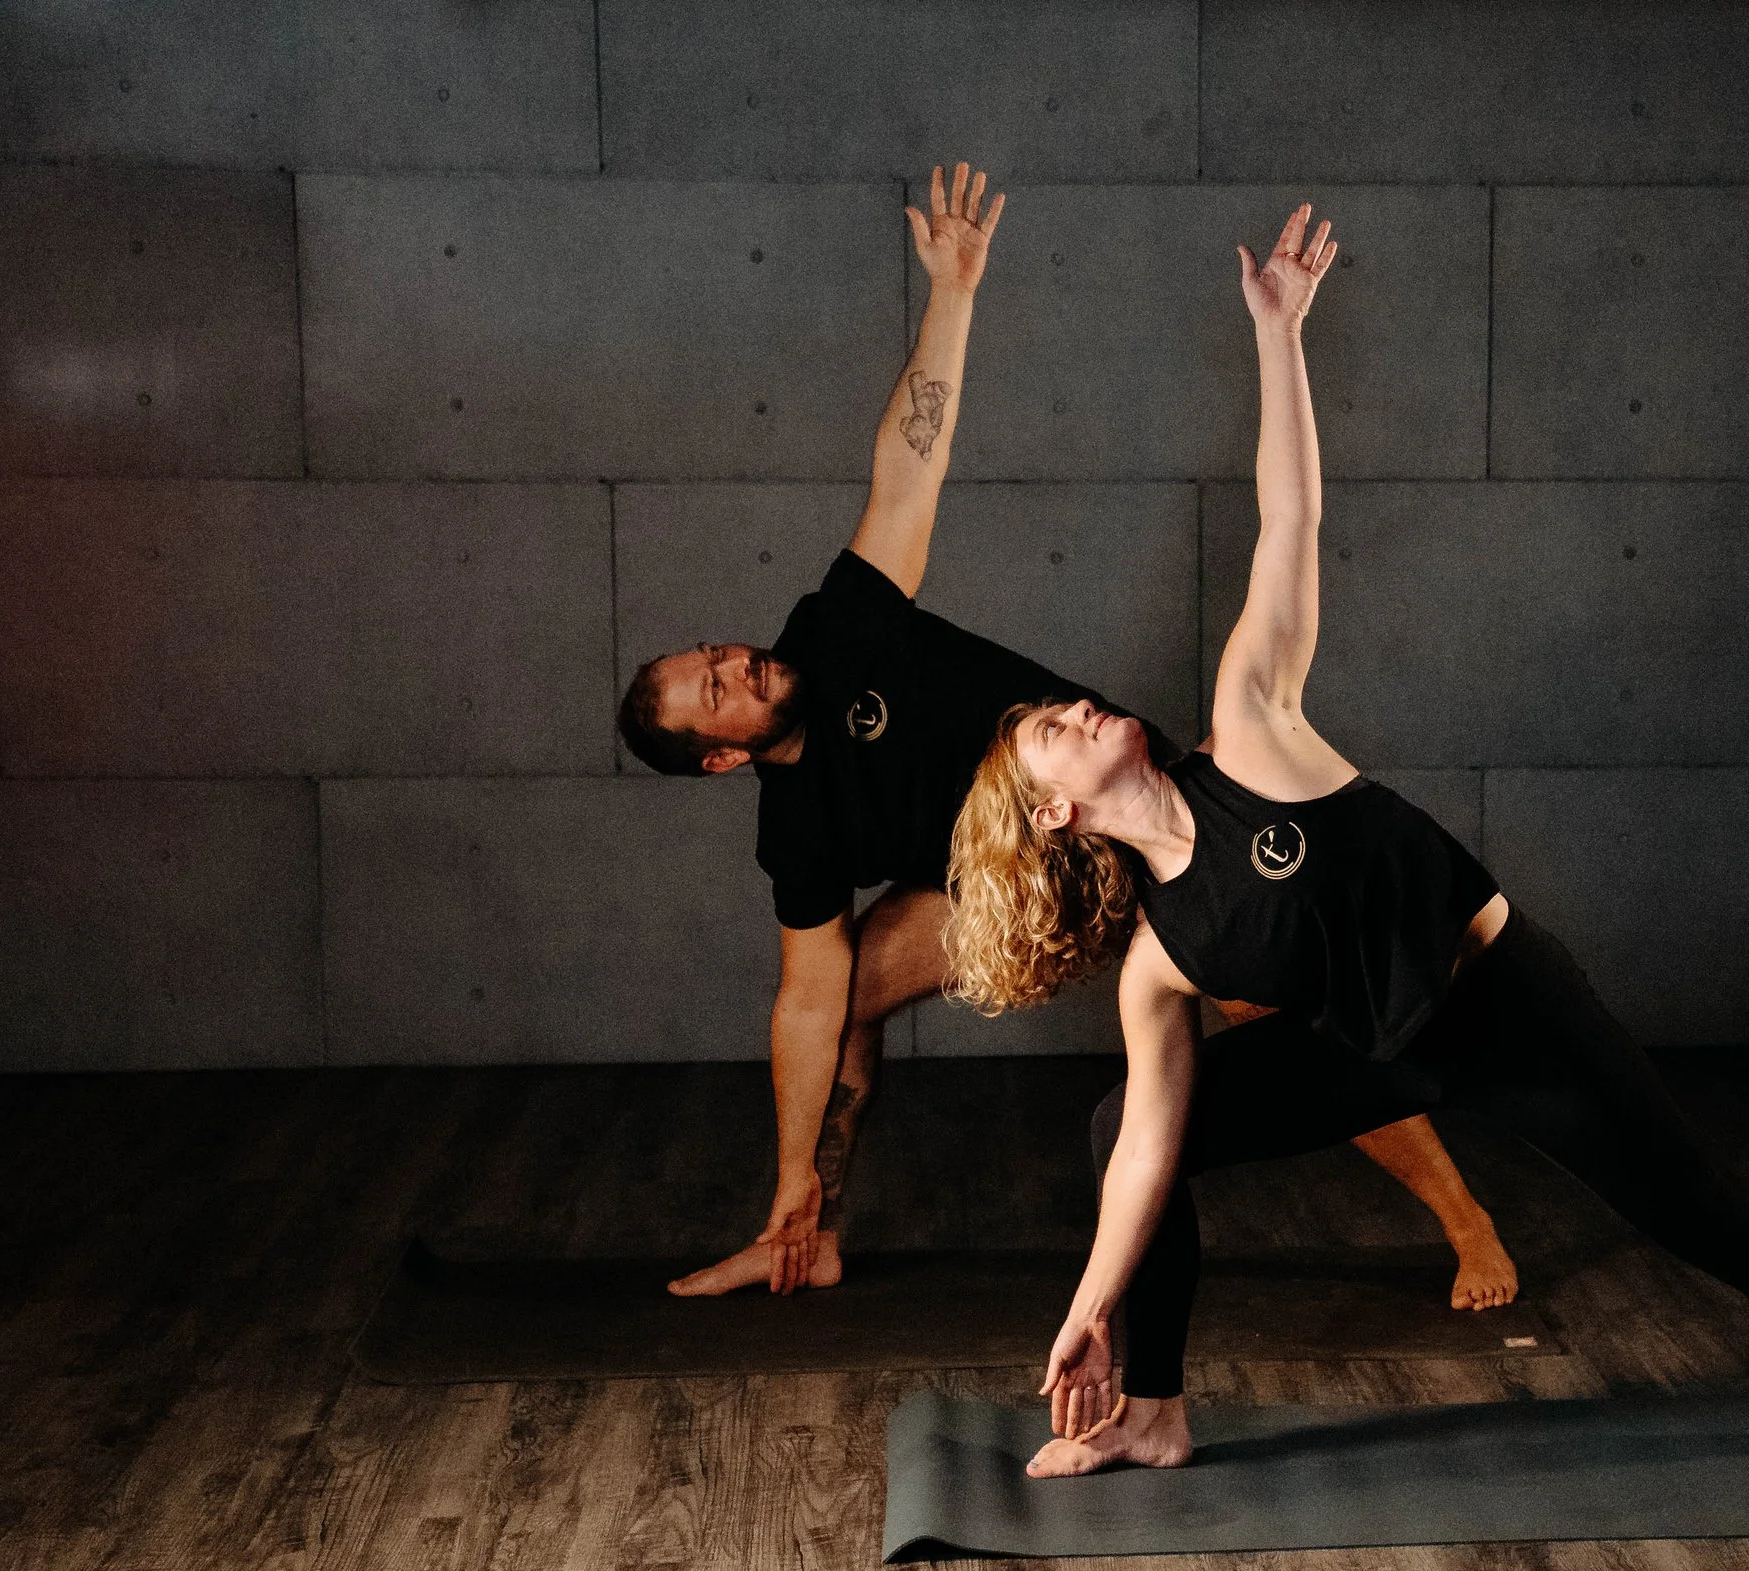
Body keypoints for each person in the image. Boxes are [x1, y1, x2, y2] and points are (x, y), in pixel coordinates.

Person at [944, 203, 1749, 1481]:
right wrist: (1086, 1311)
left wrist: (1278, 335)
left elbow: (1288, 523)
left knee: (1700, 1213)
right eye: (1050, 736)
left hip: (1507, 1006)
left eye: (1059, 709)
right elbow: (1144, 1165)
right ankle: (1159, 1409)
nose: (1071, 708)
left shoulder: (1249, 727)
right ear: (1056, 814)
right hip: (1375, 1058)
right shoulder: (1160, 962)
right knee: (1138, 1115)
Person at [614, 164, 1521, 1311]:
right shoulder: (795, 827)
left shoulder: (831, 630)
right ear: (722, 756)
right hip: (1000, 870)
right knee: (835, 1002)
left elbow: (908, 470)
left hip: (1101, 808)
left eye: (715, 653)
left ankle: (1466, 1220)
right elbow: (802, 1000)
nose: (735, 664)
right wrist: (794, 1173)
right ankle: (807, 1231)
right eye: (715, 690)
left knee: (1270, 1005)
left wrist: (952, 290)